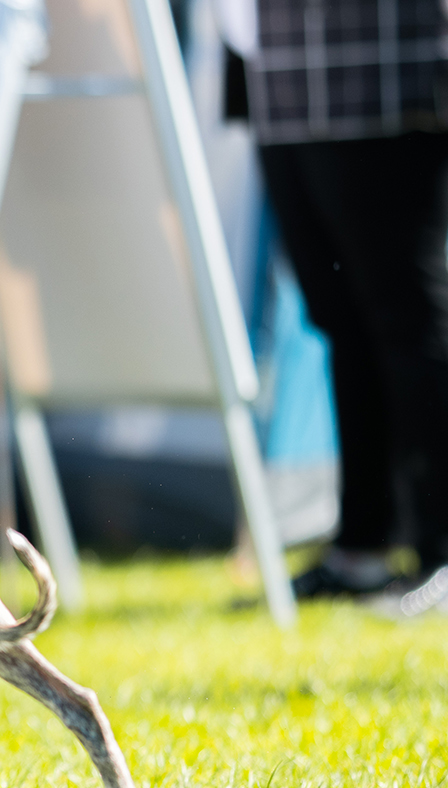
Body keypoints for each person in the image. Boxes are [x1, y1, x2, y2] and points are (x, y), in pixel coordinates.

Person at [231, 0, 448, 618]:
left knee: (409, 313)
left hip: (381, 57)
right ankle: (365, 544)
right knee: (339, 316)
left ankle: (442, 545)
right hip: (281, 71)